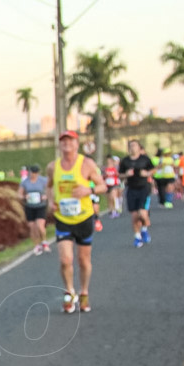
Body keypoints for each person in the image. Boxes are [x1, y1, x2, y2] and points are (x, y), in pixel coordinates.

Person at [46, 131, 108, 313]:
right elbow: (49, 187)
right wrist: (51, 201)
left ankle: (84, 292)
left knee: (83, 260)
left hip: (84, 218)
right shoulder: (53, 166)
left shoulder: (86, 164)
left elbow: (103, 186)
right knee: (66, 259)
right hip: (63, 219)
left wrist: (88, 190)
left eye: (69, 141)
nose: (66, 144)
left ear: (76, 144)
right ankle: (69, 291)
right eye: (63, 141)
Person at [119, 139, 155, 247]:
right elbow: (119, 175)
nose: (132, 147)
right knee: (134, 216)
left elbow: (153, 170)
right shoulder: (125, 161)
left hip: (143, 188)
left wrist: (147, 173)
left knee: (142, 214)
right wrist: (126, 174)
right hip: (131, 189)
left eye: (134, 145)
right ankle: (137, 237)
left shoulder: (145, 159)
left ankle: (144, 228)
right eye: (130, 146)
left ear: (139, 147)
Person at [18, 164, 50, 255]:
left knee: (40, 225)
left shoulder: (43, 180)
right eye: (32, 173)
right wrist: (24, 196)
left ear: (38, 173)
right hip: (29, 206)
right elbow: (19, 194)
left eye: (36, 173)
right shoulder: (25, 182)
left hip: (41, 206)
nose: (34, 175)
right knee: (32, 227)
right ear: (29, 172)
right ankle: (36, 245)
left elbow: (50, 190)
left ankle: (44, 241)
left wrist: (46, 196)